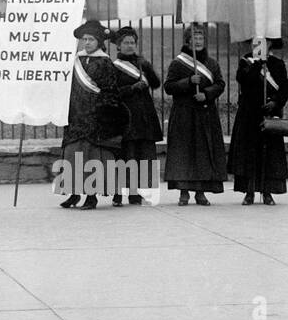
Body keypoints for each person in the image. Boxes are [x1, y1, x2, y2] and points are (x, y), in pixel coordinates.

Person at [60, 19, 124, 210]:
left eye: (91, 39)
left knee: (92, 159)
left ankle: (91, 196)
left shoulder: (105, 63)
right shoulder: (76, 61)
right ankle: (73, 194)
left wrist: (100, 111)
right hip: (75, 118)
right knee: (73, 156)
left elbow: (111, 92)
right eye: (84, 39)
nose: (86, 43)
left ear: (99, 42)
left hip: (95, 119)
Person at [163, 22, 227, 206]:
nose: (198, 42)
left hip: (205, 113)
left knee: (202, 152)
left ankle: (200, 192)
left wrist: (206, 94)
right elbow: (169, 87)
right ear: (188, 41)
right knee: (184, 153)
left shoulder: (212, 63)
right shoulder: (178, 63)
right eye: (194, 39)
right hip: (184, 114)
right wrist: (189, 82)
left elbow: (220, 84)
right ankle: (184, 192)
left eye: (201, 38)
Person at [227, 37, 288, 206]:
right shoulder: (245, 62)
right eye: (255, 43)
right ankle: (249, 192)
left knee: (269, 155)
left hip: (269, 114)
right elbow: (244, 80)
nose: (258, 45)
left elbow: (285, 87)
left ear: (269, 44)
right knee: (249, 155)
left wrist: (276, 102)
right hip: (249, 114)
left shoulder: (277, 64)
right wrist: (258, 64)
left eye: (263, 42)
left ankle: (267, 192)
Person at [108, 25, 161, 206]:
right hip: (125, 117)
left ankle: (135, 192)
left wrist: (148, 68)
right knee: (124, 156)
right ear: (118, 46)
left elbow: (155, 84)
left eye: (132, 42)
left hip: (143, 117)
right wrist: (131, 88)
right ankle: (118, 194)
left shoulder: (141, 64)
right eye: (126, 43)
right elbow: (111, 93)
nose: (130, 46)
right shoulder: (114, 67)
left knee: (140, 156)